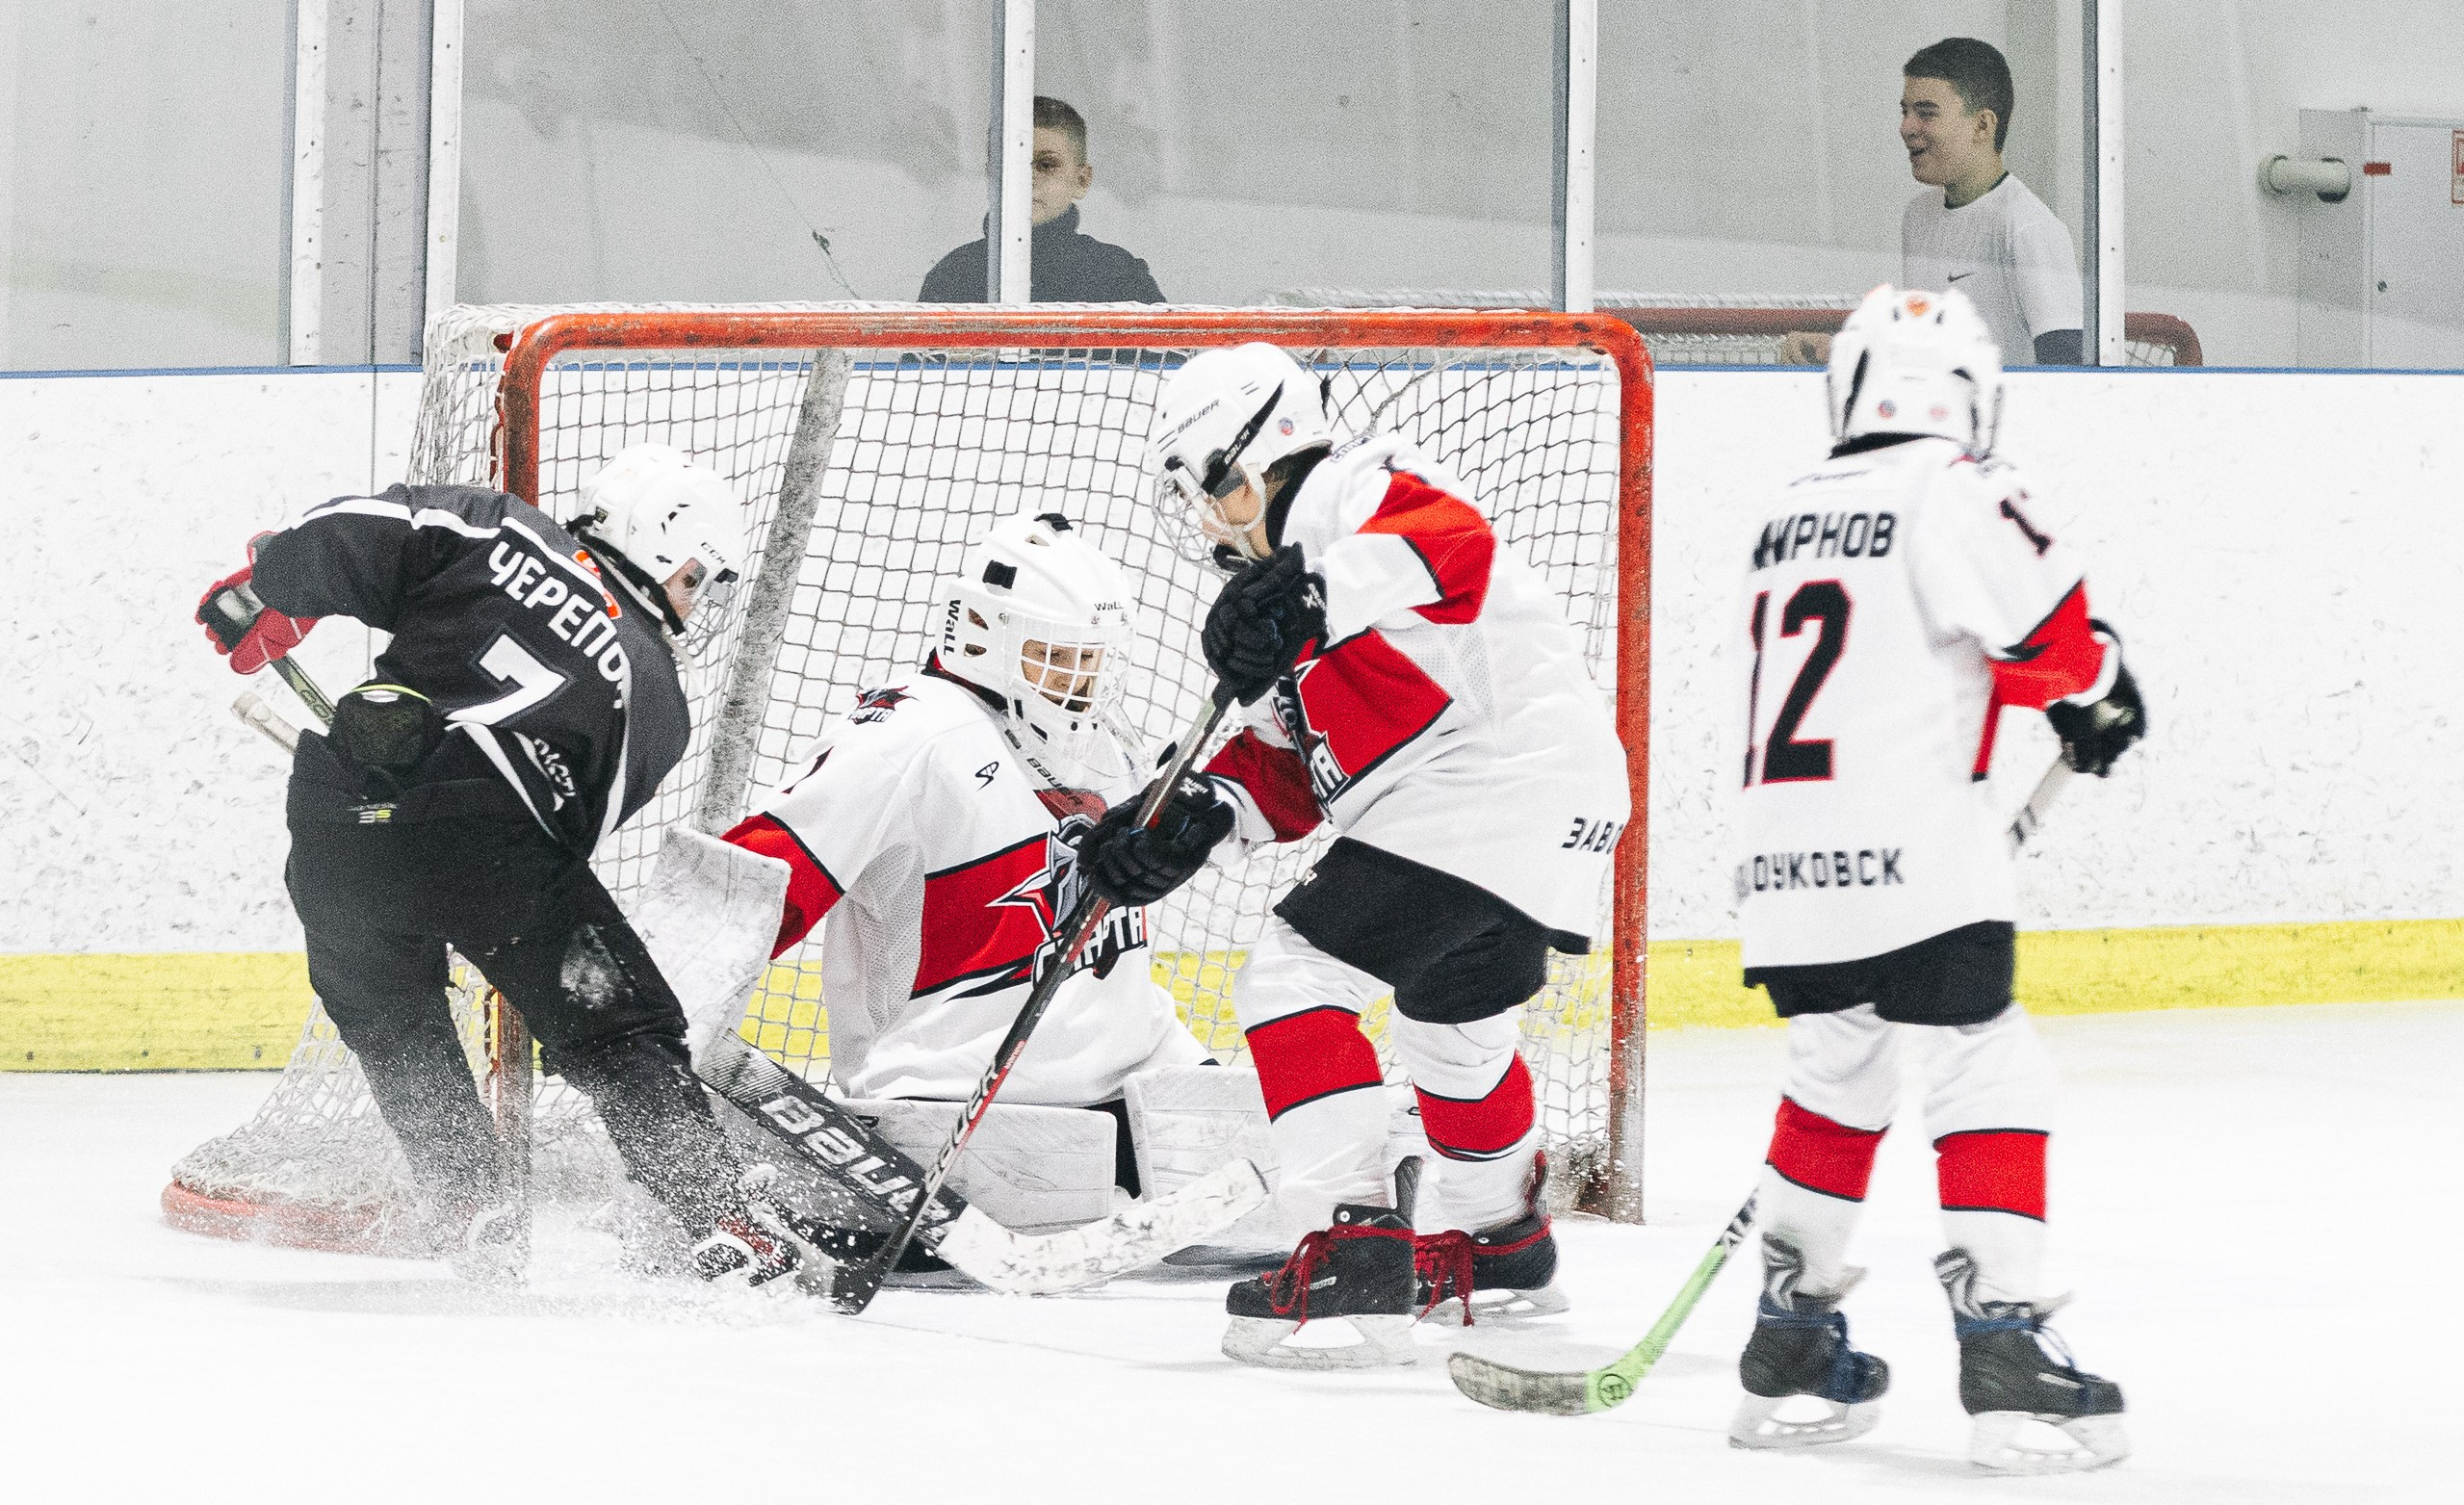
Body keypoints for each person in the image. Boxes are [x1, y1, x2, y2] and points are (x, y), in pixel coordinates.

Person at [1076, 342, 1632, 1369]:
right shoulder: (1300, 602)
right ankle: (1498, 1239)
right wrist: (1192, 816)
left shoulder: (1350, 491)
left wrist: (1313, 590)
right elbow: (1299, 769)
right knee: (1452, 1023)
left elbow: (1451, 540)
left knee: (1291, 980)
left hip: (1492, 779)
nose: (1200, 520)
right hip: (1543, 799)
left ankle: (1351, 1247)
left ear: (1248, 460)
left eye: (1204, 489)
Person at [195, 447, 802, 1287]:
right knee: (622, 1026)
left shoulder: (495, 526)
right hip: (495, 850)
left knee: (389, 1015)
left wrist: (273, 587)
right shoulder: (659, 693)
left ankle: (466, 1203)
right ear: (665, 543)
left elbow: (341, 534)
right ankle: (719, 1212)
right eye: (697, 577)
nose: (694, 603)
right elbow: (572, 838)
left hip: (337, 827)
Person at [1728, 285, 2144, 1472]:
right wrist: (2101, 688)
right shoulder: (1957, 487)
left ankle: (1790, 1331)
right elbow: (2053, 641)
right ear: (1971, 393)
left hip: (1785, 864)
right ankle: (2004, 1340)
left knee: (1837, 1066)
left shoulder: (1789, 509)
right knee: (1981, 1054)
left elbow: (1904, 662)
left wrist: (2059, 694)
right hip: (1919, 852)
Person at [714, 512, 1212, 1222]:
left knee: (1334, 1163)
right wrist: (644, 1010)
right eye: (1057, 656)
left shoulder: (1107, 742)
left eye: (1092, 660)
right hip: (953, 1099)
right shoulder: (909, 736)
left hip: (1142, 1084)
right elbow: (759, 879)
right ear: (984, 635)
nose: (1081, 683)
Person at [1782, 39, 2083, 369]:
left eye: (1926, 113)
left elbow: (2067, 374)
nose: (1906, 127)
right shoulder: (1918, 216)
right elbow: (1924, 353)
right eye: (1905, 111)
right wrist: (1842, 350)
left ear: (1982, 125)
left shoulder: (2029, 227)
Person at [917, 96, 1166, 303]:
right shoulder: (952, 277)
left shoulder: (1119, 277)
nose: (1027, 179)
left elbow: (1168, 360)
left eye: (1047, 165)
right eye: (1010, 165)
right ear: (990, 176)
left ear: (1081, 180)